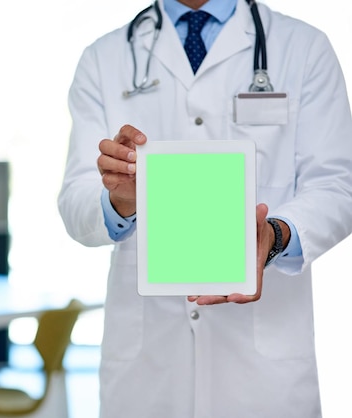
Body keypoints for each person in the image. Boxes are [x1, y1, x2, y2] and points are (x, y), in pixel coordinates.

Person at [57, 1, 352, 417]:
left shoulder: (304, 48)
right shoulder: (104, 58)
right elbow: (75, 200)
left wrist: (275, 236)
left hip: (262, 377)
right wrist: (118, 201)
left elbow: (337, 184)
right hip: (149, 372)